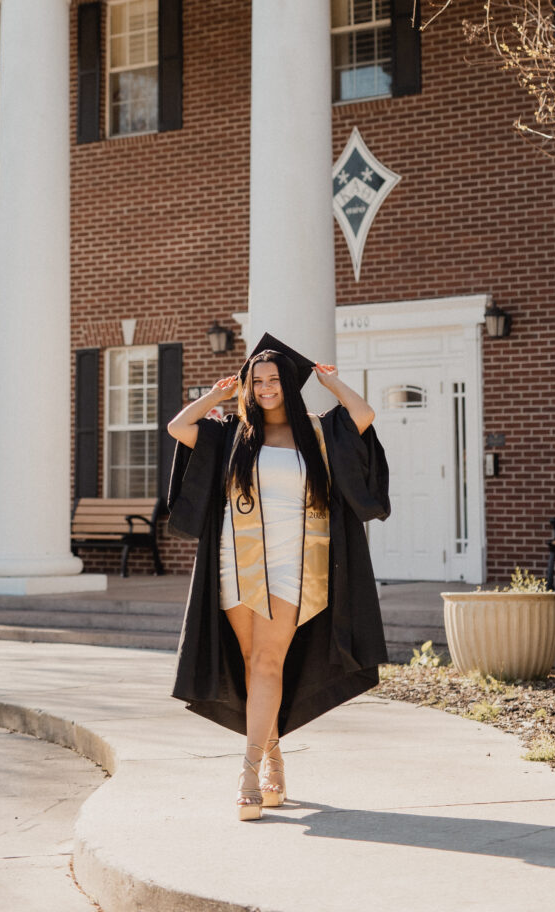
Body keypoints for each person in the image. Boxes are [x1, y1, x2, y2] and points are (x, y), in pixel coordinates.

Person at [165, 330, 391, 820]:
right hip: (236, 560)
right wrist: (217, 395)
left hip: (295, 562)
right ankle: (273, 758)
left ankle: (248, 771)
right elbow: (178, 426)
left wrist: (332, 385)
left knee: (269, 662)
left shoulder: (318, 432)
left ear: (289, 383)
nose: (266, 387)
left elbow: (365, 417)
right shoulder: (231, 433)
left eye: (274, 379)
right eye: (257, 380)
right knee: (250, 662)